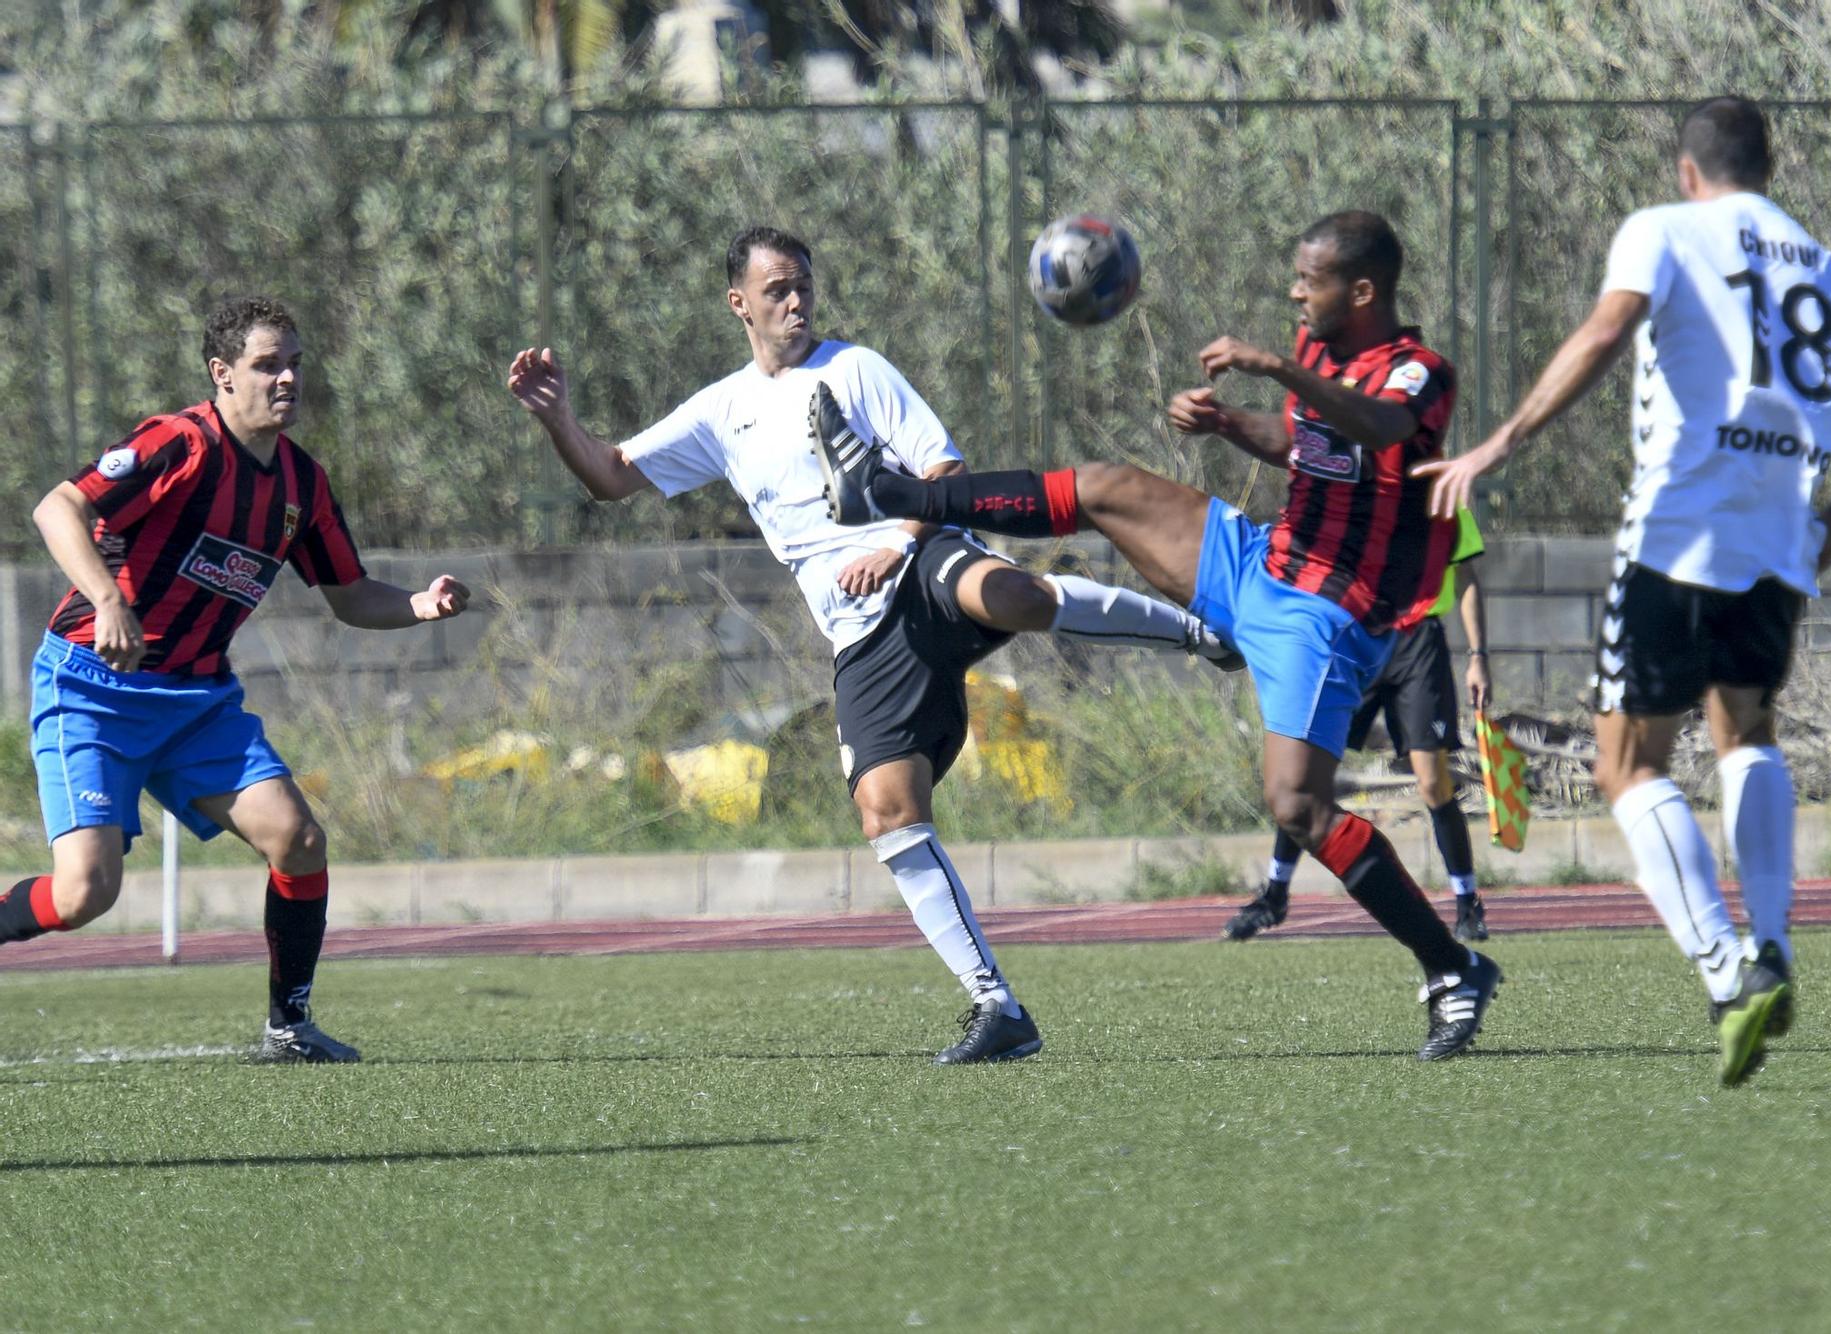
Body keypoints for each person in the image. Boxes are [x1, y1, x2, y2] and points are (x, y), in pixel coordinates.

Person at [507, 225, 1240, 1065]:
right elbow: (609, 476)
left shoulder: (854, 370)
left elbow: (943, 472)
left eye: (804, 287)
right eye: (777, 288)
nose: (795, 302)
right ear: (738, 302)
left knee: (1009, 595)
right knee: (885, 811)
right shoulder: (723, 410)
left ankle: (1199, 632)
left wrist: (893, 543)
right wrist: (557, 418)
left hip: (915, 559)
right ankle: (997, 1008)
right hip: (860, 635)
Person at [816, 211, 1503, 1061]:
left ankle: (1450, 968)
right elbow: (1303, 441)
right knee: (1105, 488)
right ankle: (895, 493)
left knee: (1297, 806)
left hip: (1327, 615)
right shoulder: (1321, 349)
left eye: (1309, 279)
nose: (1294, 291)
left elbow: (1381, 429)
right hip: (1264, 560)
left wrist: (1277, 366)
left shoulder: (1419, 373)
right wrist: (1229, 425)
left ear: (1361, 292)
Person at [1418, 96, 1831, 1086]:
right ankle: (1769, 939)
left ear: (1687, 170)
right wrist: (1829, 526)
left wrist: (1497, 440)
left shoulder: (1659, 229)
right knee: (1745, 734)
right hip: (1778, 538)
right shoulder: (1823, 266)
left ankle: (1724, 970)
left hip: (1676, 532)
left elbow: (1608, 329)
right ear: (1762, 167)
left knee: (1626, 764)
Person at [0, 296, 471, 1063]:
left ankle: (290, 1026)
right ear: (222, 374)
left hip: (195, 702)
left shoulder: (302, 486)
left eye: (294, 364)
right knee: (85, 893)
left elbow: (350, 597)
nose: (286, 379)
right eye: (266, 365)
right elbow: (58, 507)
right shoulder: (177, 443)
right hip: (93, 686)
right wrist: (109, 598)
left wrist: (418, 604)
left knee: (299, 837)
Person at [1224, 506, 1492, 944]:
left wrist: (1479, 657)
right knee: (1305, 775)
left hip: (1417, 644)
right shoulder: (1351, 492)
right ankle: (1274, 895)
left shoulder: (1444, 500)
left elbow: (1467, 579)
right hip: (1354, 633)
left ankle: (1467, 904)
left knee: (1432, 782)